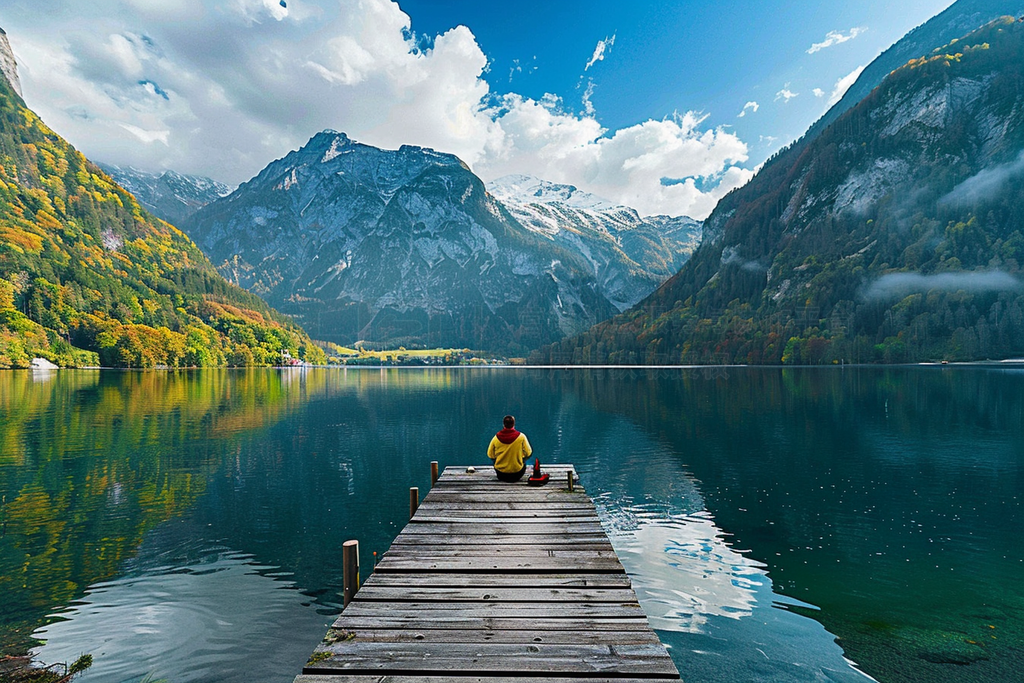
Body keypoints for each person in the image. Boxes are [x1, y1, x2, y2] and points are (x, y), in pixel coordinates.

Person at [487, 415, 533, 482]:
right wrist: (521, 457)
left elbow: (490, 455)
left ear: (503, 424)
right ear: (514, 424)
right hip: (517, 474)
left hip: (501, 474)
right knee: (523, 462)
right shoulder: (521, 437)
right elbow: (528, 453)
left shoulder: (496, 438)